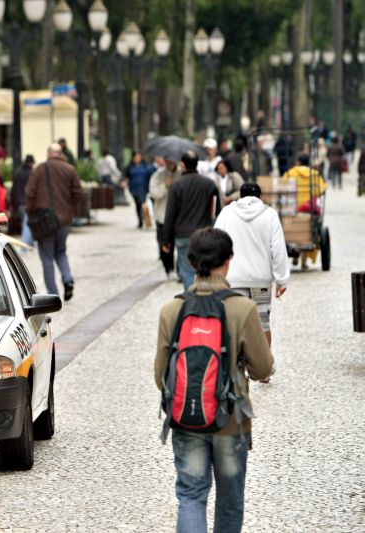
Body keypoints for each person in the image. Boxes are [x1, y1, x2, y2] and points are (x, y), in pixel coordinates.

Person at [155, 227, 274, 533]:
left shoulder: (172, 310)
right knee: (230, 500)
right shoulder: (243, 308)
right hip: (231, 423)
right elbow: (263, 369)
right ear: (229, 260)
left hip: (185, 418)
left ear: (191, 262)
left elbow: (160, 377)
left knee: (191, 496)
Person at [214, 182, 290, 346]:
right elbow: (277, 249)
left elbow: (215, 242)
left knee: (234, 324)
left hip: (233, 280)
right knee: (263, 325)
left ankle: (236, 367)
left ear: (240, 196)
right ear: (260, 197)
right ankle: (263, 369)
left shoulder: (226, 213)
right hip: (260, 281)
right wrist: (281, 279)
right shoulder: (270, 214)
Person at [25, 143, 82, 300]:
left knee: (47, 257)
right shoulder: (69, 169)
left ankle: (53, 294)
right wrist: (70, 209)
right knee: (61, 251)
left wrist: (30, 214)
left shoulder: (39, 169)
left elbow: (29, 193)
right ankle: (68, 278)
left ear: (48, 153)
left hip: (44, 220)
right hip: (64, 220)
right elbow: (78, 193)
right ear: (60, 153)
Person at [162, 150, 221, 291]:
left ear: (182, 165)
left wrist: (166, 240)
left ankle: (191, 301)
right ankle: (206, 299)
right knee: (205, 270)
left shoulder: (176, 186)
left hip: (182, 235)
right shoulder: (209, 184)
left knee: (187, 272)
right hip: (204, 234)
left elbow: (170, 214)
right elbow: (216, 211)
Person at [149, 157, 180, 276]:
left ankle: (180, 270)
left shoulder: (181, 173)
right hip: (162, 215)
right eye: (167, 160)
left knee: (180, 244)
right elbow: (153, 194)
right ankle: (168, 267)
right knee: (164, 244)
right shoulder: (157, 175)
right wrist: (165, 186)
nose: (170, 163)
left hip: (178, 215)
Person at [10, 154, 36, 246]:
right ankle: (24, 246)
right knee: (27, 224)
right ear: (32, 162)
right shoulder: (33, 173)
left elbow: (14, 189)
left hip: (19, 203)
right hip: (28, 202)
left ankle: (30, 243)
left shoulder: (18, 172)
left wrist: (13, 204)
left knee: (26, 223)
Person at [123, 151, 152, 229]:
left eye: (139, 156)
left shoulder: (145, 165)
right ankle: (140, 220)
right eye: (136, 157)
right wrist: (124, 182)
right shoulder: (130, 167)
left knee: (143, 204)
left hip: (143, 188)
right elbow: (126, 176)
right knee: (138, 205)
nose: (138, 158)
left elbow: (149, 176)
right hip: (133, 188)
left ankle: (145, 219)